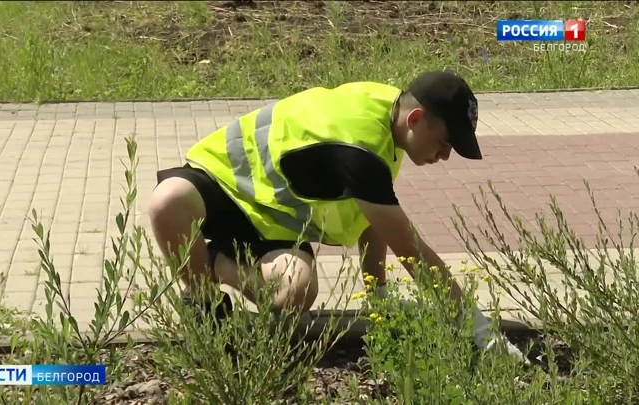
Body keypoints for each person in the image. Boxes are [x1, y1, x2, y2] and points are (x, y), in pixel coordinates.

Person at [148, 70, 527, 363]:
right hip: (221, 182)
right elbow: (411, 250)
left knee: (295, 294)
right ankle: (203, 304)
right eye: (445, 143)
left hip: (273, 222)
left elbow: (376, 217)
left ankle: (215, 259)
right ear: (415, 119)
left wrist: (378, 297)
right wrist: (481, 330)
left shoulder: (386, 110)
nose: (445, 156)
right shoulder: (357, 144)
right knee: (168, 201)